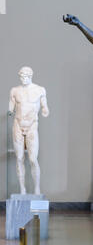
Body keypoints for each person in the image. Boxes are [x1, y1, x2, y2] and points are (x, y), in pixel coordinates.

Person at [8, 66, 50, 195]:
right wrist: (9, 111)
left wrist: (45, 110)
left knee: (32, 159)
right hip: (18, 125)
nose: (23, 79)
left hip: (32, 125)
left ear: (30, 76)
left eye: (25, 76)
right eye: (21, 77)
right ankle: (22, 189)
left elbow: (45, 107)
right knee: (19, 158)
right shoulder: (14, 91)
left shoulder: (39, 90)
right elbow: (11, 107)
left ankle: (37, 188)